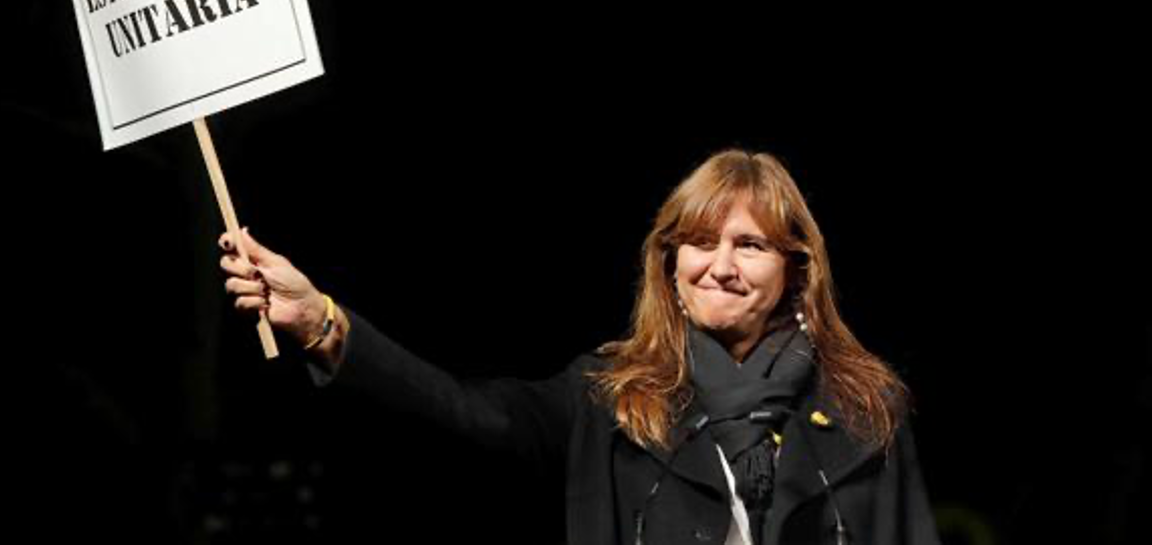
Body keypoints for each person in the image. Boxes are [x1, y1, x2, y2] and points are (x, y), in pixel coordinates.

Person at [218, 149, 941, 544]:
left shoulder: (863, 407)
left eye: (749, 245)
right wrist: (322, 325)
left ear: (793, 270)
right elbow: (467, 416)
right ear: (669, 263)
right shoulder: (612, 396)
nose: (719, 265)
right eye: (698, 242)